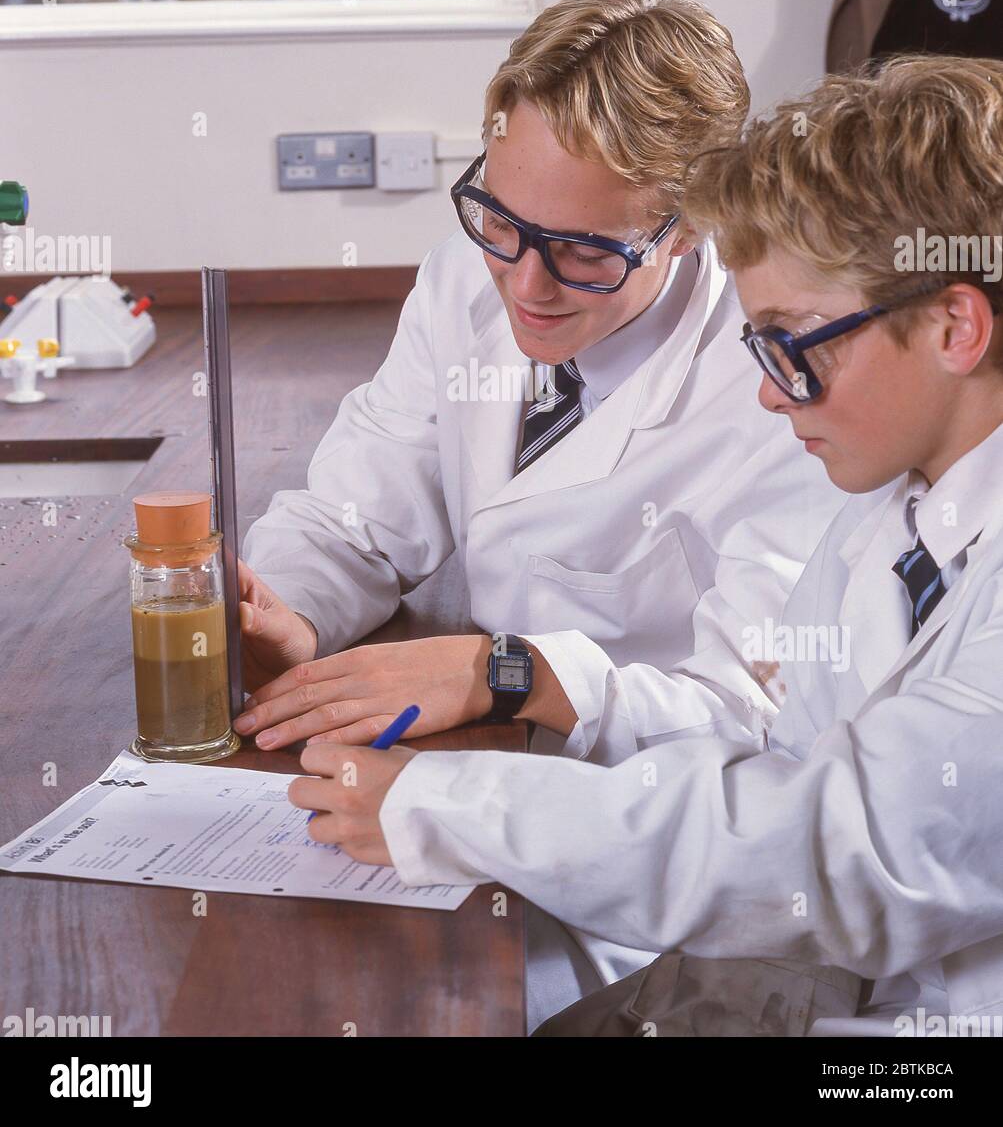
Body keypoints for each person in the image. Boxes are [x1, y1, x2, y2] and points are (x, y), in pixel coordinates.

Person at [289, 55, 1003, 1036]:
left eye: (795, 346)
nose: (767, 391)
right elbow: (773, 764)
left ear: (954, 324)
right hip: (813, 986)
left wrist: (452, 805)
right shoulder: (890, 514)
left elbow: (839, 851)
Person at [239, 0, 844, 1028]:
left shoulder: (779, 394)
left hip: (630, 857)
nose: (526, 283)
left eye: (584, 250)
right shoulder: (474, 276)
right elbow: (363, 502)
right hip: (454, 781)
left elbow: (757, 720)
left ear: (689, 229)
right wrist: (285, 604)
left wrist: (509, 670)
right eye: (500, 221)